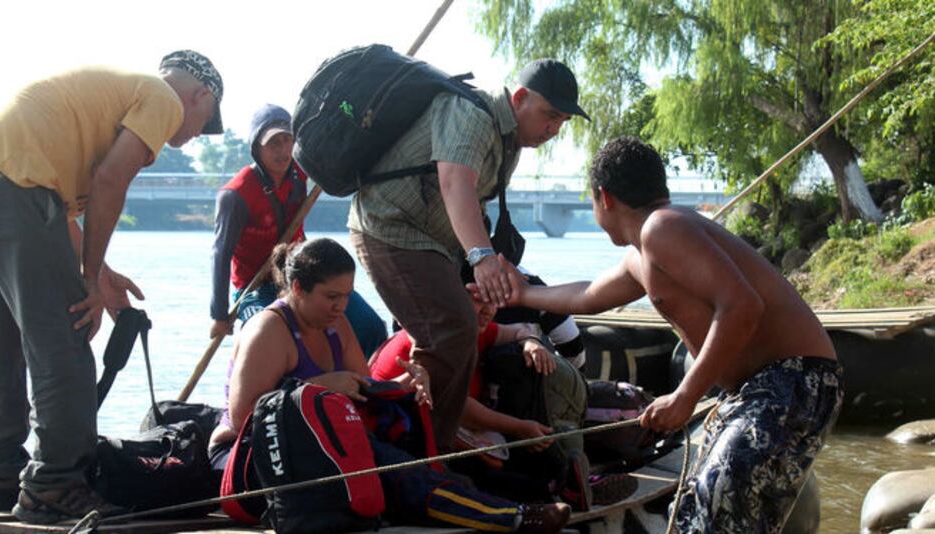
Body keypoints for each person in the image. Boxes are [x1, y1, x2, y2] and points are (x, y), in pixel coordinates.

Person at [500, 137, 843, 533]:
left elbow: (742, 306)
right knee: (693, 517)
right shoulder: (646, 251)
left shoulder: (664, 228)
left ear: (603, 197)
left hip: (793, 380)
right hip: (756, 390)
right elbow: (589, 295)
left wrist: (685, 396)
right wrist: (522, 292)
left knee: (718, 514)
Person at [0, 50, 225, 523]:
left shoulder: (111, 99)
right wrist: (89, 282)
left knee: (2, 342)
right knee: (64, 343)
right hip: (17, 190)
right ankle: (53, 485)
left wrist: (104, 276)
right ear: (200, 95)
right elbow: (110, 180)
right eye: (207, 120)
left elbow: (61, 218)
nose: (198, 133)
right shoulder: (162, 98)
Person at [208, 238, 571, 533]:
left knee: (410, 457)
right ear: (298, 288)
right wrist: (320, 384)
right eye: (331, 297)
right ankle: (510, 518)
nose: (341, 306)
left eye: (347, 295)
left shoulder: (336, 324)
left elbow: (363, 389)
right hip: (251, 457)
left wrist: (406, 382)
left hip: (313, 448)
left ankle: (526, 500)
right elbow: (244, 419)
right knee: (387, 466)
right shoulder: (269, 329)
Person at [348, 58, 589, 451]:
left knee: (464, 326)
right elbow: (454, 180)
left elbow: (472, 203)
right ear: (521, 98)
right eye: (550, 116)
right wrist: (481, 257)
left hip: (434, 243)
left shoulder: (507, 139)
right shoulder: (470, 112)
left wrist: (487, 265)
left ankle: (424, 444)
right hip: (390, 229)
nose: (554, 130)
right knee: (454, 329)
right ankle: (428, 453)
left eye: (562, 121)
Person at [371, 286, 633, 511]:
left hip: (452, 423)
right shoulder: (432, 340)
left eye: (491, 300)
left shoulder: (471, 328)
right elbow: (457, 407)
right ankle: (557, 488)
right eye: (476, 299)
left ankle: (569, 481)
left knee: (517, 413)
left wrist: (531, 342)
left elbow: (519, 330)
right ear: (449, 299)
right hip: (407, 434)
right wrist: (517, 428)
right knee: (488, 464)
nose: (487, 309)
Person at [209, 104, 388, 355]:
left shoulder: (300, 173)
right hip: (255, 288)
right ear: (256, 148)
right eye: (273, 144)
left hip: (300, 276)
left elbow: (336, 153)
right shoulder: (235, 195)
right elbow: (220, 254)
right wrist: (218, 315)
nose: (283, 151)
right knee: (265, 340)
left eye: (287, 141)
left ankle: (367, 387)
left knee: (370, 327)